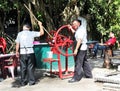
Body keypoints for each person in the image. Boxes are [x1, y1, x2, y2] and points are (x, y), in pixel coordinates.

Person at [15, 21, 44, 86]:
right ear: (29, 28)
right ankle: (31, 82)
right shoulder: (31, 33)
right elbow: (42, 33)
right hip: (30, 51)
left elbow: (17, 44)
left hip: (22, 52)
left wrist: (17, 51)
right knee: (30, 67)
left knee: (23, 67)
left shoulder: (19, 34)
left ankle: (23, 82)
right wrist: (40, 25)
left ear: (23, 27)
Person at [68, 17, 93, 83]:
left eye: (75, 24)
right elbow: (75, 33)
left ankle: (76, 78)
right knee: (84, 61)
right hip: (82, 47)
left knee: (78, 62)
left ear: (79, 23)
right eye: (73, 24)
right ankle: (89, 75)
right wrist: (71, 28)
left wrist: (76, 49)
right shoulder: (79, 29)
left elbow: (79, 40)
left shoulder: (81, 29)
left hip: (81, 47)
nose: (74, 25)